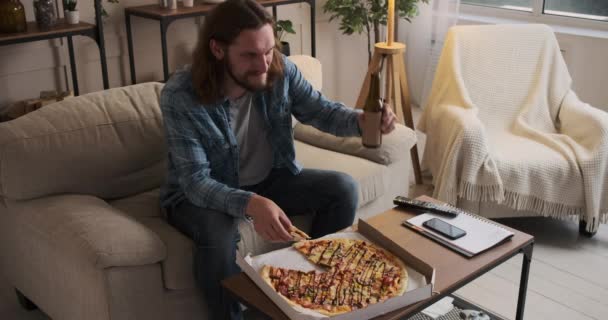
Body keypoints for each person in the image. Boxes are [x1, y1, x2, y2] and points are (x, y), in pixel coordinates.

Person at [159, 0, 397, 318]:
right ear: (217, 50)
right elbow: (195, 182)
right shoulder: (181, 95)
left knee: (342, 188)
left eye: (269, 50)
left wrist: (363, 121)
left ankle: (315, 291)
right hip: (199, 196)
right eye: (249, 55)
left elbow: (321, 111)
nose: (263, 64)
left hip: (271, 178)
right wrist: (252, 203)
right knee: (218, 235)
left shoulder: (279, 70)